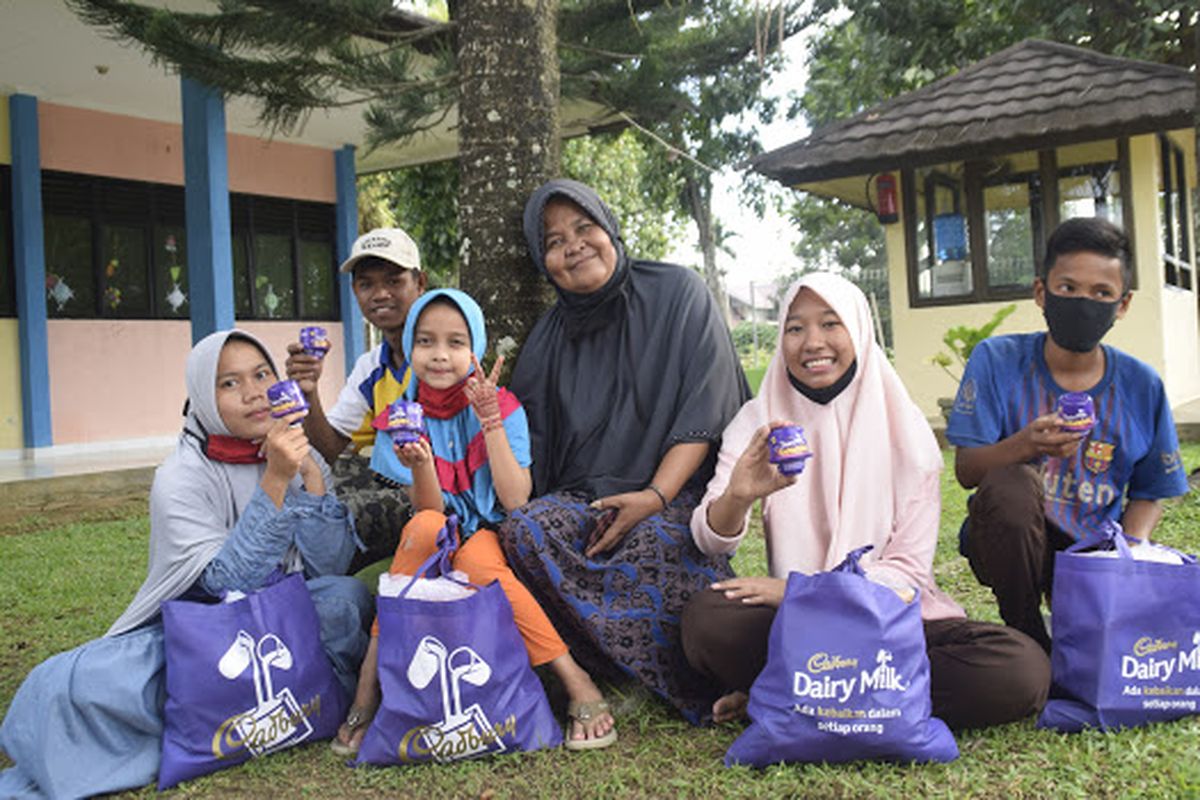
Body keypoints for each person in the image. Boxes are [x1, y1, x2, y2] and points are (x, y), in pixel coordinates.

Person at [0, 330, 371, 798]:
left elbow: (330, 568)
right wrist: (275, 481)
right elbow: (223, 584)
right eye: (229, 384)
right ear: (202, 396)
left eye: (261, 375)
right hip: (197, 630)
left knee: (347, 598)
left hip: (284, 617)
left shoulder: (300, 452)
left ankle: (235, 706)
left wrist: (312, 478)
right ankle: (257, 701)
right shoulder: (179, 477)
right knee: (66, 685)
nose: (254, 392)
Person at [681, 272, 1050, 730]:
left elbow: (908, 572)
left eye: (830, 324)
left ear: (858, 329)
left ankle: (792, 690)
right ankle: (861, 695)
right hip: (800, 627)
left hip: (893, 622)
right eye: (795, 328)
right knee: (706, 620)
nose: (812, 342)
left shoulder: (906, 431)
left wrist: (805, 590)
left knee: (1020, 668)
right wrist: (737, 497)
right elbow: (711, 541)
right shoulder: (757, 420)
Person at [498, 179, 751, 725]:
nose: (573, 246)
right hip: (589, 503)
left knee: (652, 545)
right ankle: (611, 669)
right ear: (544, 263)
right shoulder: (546, 340)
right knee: (526, 532)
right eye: (554, 241)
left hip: (677, 496)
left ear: (609, 227)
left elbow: (705, 409)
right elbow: (533, 460)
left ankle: (687, 681)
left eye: (584, 227)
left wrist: (656, 496)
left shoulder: (679, 293)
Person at [332, 289, 615, 755]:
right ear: (410, 346)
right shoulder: (400, 417)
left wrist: (490, 423)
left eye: (455, 342)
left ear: (475, 349)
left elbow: (515, 498)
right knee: (420, 533)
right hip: (434, 527)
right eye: (425, 341)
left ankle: (575, 679)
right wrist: (422, 463)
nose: (440, 355)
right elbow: (430, 513)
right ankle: (368, 687)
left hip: (488, 530)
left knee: (480, 562)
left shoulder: (502, 406)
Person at [946, 217, 1190, 652]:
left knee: (1108, 649)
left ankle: (1079, 612)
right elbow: (967, 469)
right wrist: (1026, 445)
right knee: (1012, 483)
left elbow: (1152, 491)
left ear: (1123, 304)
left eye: (1101, 293)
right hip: (1011, 542)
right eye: (1068, 288)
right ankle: (1026, 630)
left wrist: (1126, 558)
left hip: (1093, 553)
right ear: (1041, 292)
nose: (1083, 303)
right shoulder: (997, 361)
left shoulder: (1141, 385)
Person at [286, 227, 428, 571]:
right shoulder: (370, 365)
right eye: (367, 284)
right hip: (391, 479)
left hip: (436, 488)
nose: (380, 294)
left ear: (420, 284)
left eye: (394, 281)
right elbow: (329, 450)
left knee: (339, 511)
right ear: (355, 291)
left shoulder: (439, 356)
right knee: (294, 482)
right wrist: (308, 391)